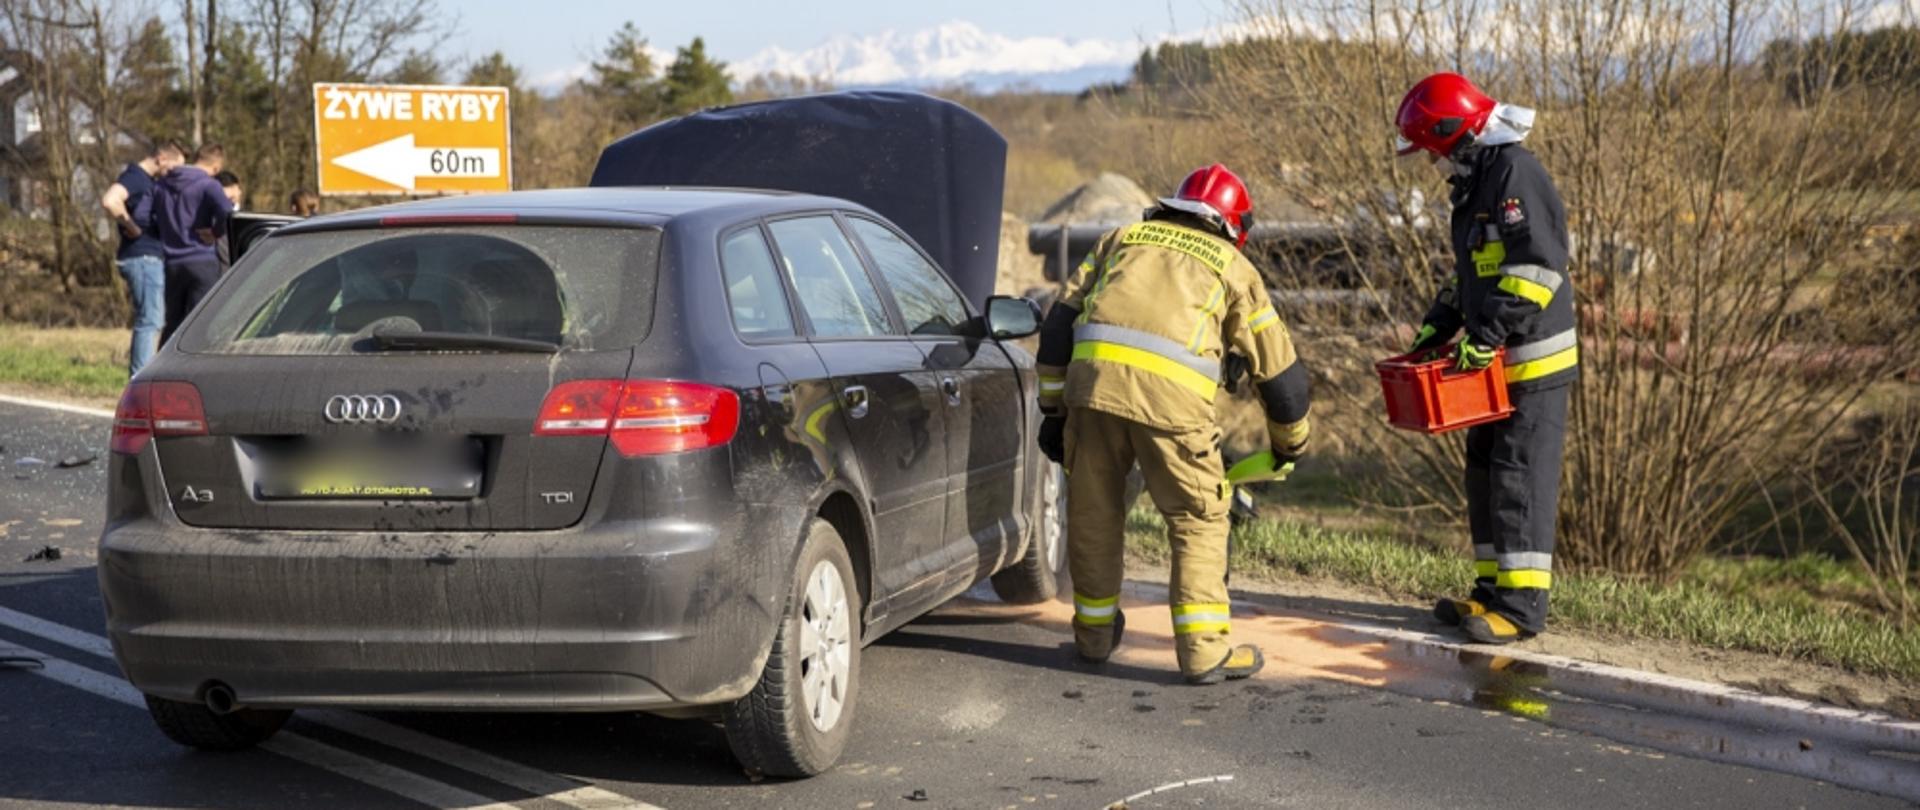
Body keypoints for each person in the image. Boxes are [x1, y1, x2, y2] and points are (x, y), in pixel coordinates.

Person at [1034, 164, 1312, 685]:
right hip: (1174, 408)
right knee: (1198, 517)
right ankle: (1205, 653)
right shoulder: (1233, 266)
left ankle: (1093, 638)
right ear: (1233, 226)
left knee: (1095, 511)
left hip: (1092, 395)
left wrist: (1053, 412)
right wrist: (1290, 443)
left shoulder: (1121, 238)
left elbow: (1057, 327)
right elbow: (1281, 377)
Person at [1396, 73, 1578, 644]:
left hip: (1531, 363)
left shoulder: (1515, 173)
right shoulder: (1479, 181)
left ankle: (1522, 609)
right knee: (1485, 474)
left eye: (1434, 150)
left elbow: (1538, 269)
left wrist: (1491, 331)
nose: (1433, 163)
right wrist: (1441, 320)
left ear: (1455, 133)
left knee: (1518, 478)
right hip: (1492, 365)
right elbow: (1474, 271)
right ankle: (1491, 592)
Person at [98, 140, 185, 375]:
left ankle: (141, 377)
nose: (173, 175)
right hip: (143, 258)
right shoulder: (136, 177)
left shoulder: (146, 180)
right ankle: (139, 379)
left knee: (152, 320)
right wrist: (130, 225)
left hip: (146, 258)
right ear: (162, 159)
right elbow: (110, 200)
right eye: (173, 168)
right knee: (150, 322)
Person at [152, 143, 235, 346]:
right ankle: (199, 370)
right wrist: (216, 233)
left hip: (172, 263)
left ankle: (165, 370)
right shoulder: (208, 184)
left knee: (173, 323)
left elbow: (148, 217)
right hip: (202, 259)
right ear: (216, 166)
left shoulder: (161, 185)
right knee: (202, 322)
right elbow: (227, 212)